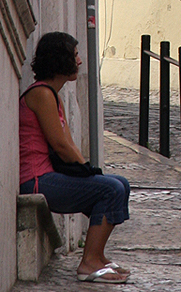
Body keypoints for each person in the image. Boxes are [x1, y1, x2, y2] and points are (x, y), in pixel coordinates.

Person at [20, 32, 131, 284]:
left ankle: (98, 256)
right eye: (75, 55)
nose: (79, 61)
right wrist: (87, 171)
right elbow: (60, 145)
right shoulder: (41, 94)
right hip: (36, 179)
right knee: (111, 188)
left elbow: (68, 142)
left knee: (119, 184)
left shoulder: (53, 95)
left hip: (49, 176)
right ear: (60, 60)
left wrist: (89, 171)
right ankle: (88, 263)